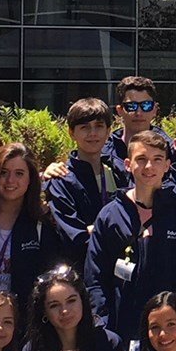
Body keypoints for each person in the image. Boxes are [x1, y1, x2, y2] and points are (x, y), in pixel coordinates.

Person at [85, 128, 176, 337]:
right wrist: (104, 328)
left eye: (157, 159)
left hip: (174, 334)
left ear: (166, 166)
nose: (149, 166)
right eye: (141, 159)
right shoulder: (110, 216)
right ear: (128, 165)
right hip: (124, 332)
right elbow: (95, 278)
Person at [0, 141, 62, 315]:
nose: (10, 180)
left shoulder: (42, 225)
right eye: (3, 173)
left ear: (30, 179)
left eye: (19, 174)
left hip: (21, 326)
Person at [45, 97, 123, 268]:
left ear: (109, 131)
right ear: (71, 133)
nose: (93, 133)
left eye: (99, 126)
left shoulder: (120, 172)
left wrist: (93, 229)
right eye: (84, 127)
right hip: (80, 272)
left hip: (119, 271)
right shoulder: (61, 180)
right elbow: (73, 235)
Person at [103, 75, 175, 176]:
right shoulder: (104, 152)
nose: (139, 113)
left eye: (146, 105)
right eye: (131, 106)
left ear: (154, 110)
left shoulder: (171, 151)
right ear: (119, 110)